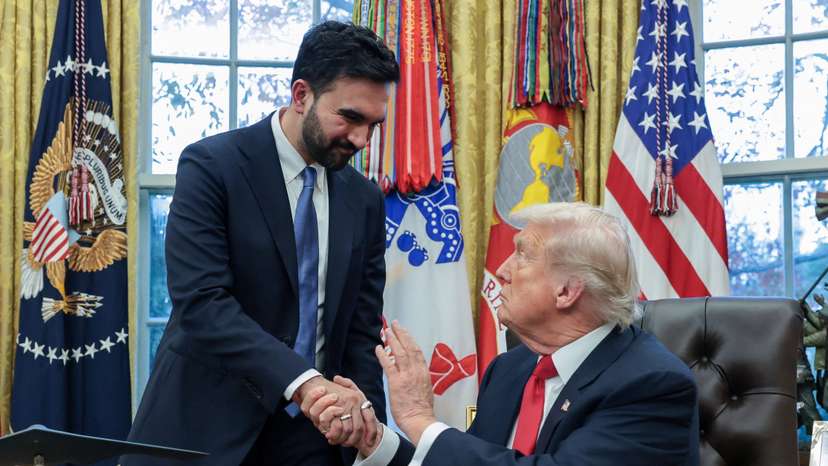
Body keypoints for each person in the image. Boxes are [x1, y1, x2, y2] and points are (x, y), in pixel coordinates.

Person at [122, 21, 399, 466]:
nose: (361, 140)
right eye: (349, 118)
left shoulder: (364, 199)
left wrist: (365, 424)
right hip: (204, 432)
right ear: (301, 95)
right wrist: (304, 382)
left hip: (316, 442)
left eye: (373, 124)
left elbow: (360, 331)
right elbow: (203, 304)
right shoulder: (212, 166)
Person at [307, 202, 700, 466]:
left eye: (523, 254)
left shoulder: (652, 384)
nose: (503, 270)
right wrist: (375, 440)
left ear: (566, 291)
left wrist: (418, 419)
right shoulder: (510, 369)